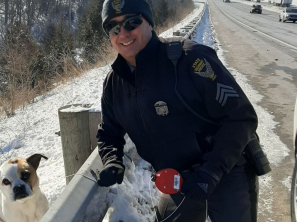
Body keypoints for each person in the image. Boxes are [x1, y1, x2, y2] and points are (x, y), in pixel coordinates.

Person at [96, 0, 263, 221]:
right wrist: (112, 161)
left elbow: (241, 118)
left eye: (132, 22)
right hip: (177, 180)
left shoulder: (190, 60)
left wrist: (210, 173)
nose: (123, 33)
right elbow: (108, 133)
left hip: (226, 169)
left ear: (149, 22)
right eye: (114, 28)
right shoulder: (114, 84)